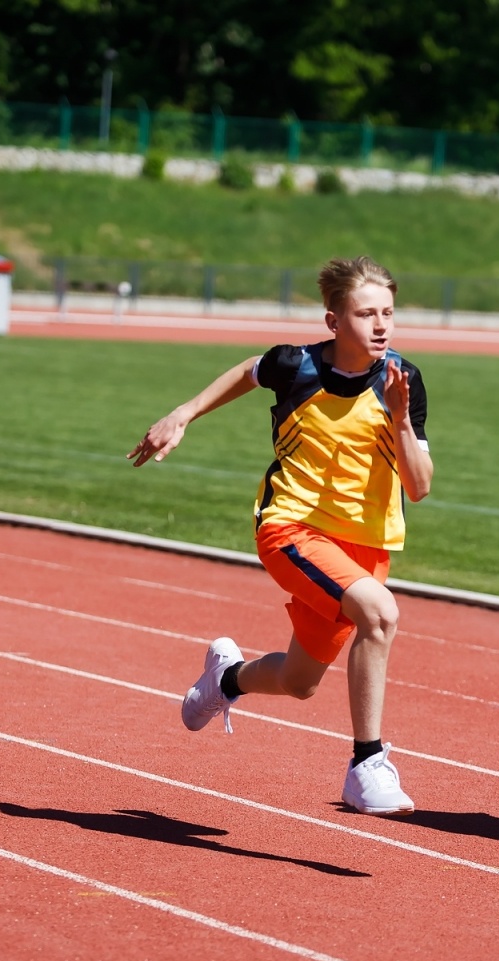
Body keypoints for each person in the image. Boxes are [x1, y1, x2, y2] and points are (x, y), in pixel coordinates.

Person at [127, 256, 433, 815]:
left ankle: (226, 679)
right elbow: (249, 371)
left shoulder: (402, 382)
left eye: (388, 312)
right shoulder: (296, 367)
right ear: (333, 321)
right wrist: (185, 413)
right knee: (381, 613)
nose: (381, 325)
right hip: (291, 528)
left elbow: (419, 488)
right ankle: (367, 763)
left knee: (299, 680)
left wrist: (402, 420)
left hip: (365, 546)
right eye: (366, 314)